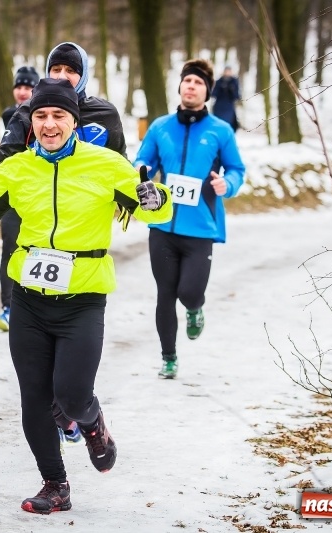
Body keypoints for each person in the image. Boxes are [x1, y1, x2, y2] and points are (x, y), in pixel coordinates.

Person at [0, 79, 173, 513]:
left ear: (73, 121)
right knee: (35, 398)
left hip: (83, 298)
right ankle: (56, 485)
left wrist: (154, 195)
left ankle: (94, 426)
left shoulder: (106, 165)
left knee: (70, 395)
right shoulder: (16, 169)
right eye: (41, 116)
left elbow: (152, 209)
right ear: (31, 122)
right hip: (29, 299)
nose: (49, 124)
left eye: (59, 116)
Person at [0, 43, 127, 334]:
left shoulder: (104, 114)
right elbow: (4, 166)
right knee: (13, 248)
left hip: (83, 215)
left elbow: (121, 167)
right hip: (31, 206)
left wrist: (134, 199)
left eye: (71, 70)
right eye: (56, 69)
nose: (63, 75)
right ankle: (12, 308)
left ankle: (75, 322)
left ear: (84, 74)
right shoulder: (29, 112)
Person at [133, 59, 246, 380]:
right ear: (180, 87)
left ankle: (196, 309)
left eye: (198, 83)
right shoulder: (160, 127)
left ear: (207, 91)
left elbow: (237, 169)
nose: (191, 86)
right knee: (165, 294)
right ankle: (168, 357)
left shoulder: (220, 131)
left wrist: (229, 184)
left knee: (189, 293)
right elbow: (143, 159)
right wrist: (141, 172)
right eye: (187, 81)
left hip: (200, 228)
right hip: (162, 226)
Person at [0, 66, 40, 333]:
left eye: (29, 87)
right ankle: (9, 307)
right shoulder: (11, 115)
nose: (23, 92)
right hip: (13, 197)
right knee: (10, 248)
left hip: (39, 197)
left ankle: (30, 307)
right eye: (19, 87)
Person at [211, 65, 241, 131]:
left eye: (229, 71)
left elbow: (237, 96)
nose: (227, 73)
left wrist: (231, 89)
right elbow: (213, 94)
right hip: (219, 107)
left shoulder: (234, 81)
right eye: (226, 71)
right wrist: (220, 88)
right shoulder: (219, 81)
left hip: (229, 107)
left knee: (228, 125)